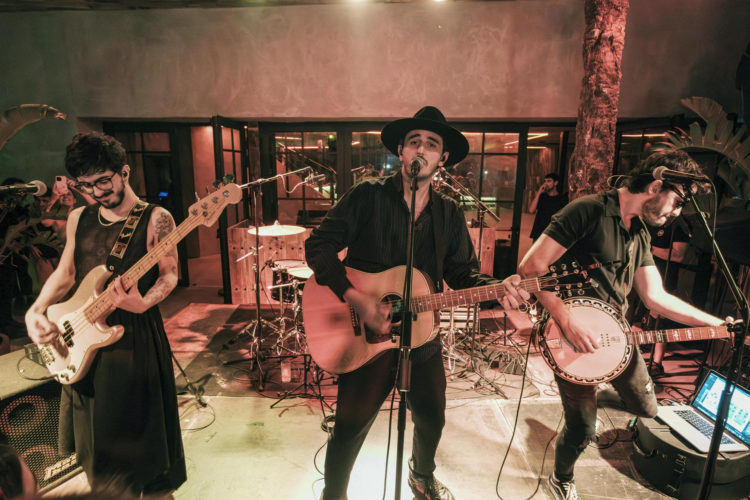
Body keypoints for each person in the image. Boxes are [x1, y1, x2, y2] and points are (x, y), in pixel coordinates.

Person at [305, 106, 521, 500]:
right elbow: (318, 247)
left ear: (444, 158)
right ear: (401, 152)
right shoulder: (368, 196)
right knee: (350, 427)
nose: (422, 148)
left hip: (422, 338)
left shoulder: (449, 214)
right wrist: (355, 297)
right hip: (365, 338)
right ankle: (333, 494)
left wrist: (497, 286)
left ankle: (421, 476)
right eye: (415, 141)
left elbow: (462, 275)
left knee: (432, 418)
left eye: (432, 144)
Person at [505, 149, 727, 500]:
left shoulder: (638, 231)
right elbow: (531, 267)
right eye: (677, 202)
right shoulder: (588, 210)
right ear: (656, 186)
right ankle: (561, 478)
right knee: (581, 428)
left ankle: (602, 396)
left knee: (647, 407)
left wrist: (715, 323)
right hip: (569, 336)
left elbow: (656, 296)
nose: (676, 213)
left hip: (616, 337)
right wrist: (567, 321)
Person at [24, 132, 186, 496]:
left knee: (147, 456)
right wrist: (36, 311)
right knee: (97, 456)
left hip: (133, 338)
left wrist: (143, 302)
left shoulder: (156, 217)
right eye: (86, 185)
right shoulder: (80, 216)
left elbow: (169, 273)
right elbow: (67, 273)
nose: (97, 192)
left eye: (103, 181)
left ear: (124, 172)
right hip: (81, 340)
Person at [644, 220, 691, 377]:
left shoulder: (680, 226)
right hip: (643, 275)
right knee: (637, 317)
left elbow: (678, 255)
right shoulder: (651, 223)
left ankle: (657, 363)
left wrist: (648, 249)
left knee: (660, 322)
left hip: (664, 279)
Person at [529, 173, 568, 241]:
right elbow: (531, 210)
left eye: (549, 181)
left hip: (553, 233)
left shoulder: (562, 199)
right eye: (545, 181)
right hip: (539, 232)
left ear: (556, 183)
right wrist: (539, 192)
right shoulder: (542, 196)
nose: (545, 184)